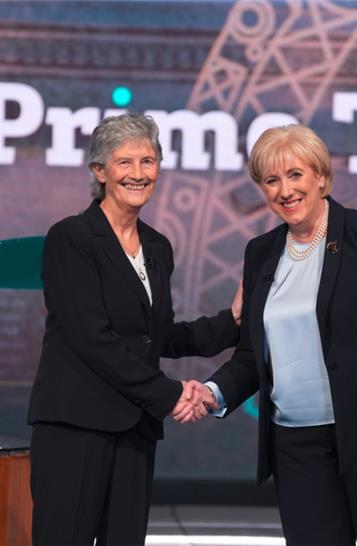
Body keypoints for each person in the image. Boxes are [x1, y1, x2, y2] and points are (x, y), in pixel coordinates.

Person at [176, 125, 357, 545]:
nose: (285, 190)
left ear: (321, 177)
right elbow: (252, 355)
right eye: (271, 180)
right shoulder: (260, 252)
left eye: (295, 175)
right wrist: (212, 392)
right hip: (296, 448)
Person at [27, 112, 241, 546]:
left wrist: (232, 321)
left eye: (148, 161)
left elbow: (158, 336)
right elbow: (92, 339)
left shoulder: (158, 246)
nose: (138, 173)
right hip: (77, 427)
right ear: (100, 171)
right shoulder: (71, 237)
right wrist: (171, 394)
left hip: (135, 429)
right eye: (125, 162)